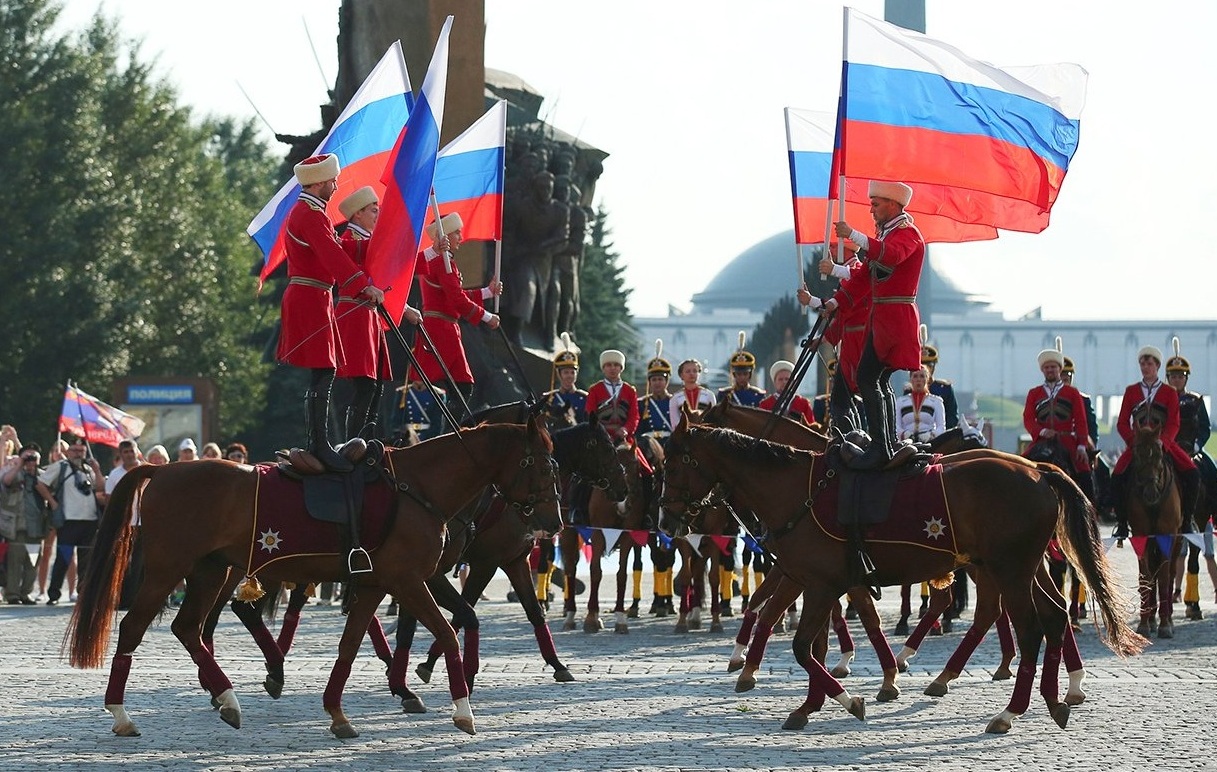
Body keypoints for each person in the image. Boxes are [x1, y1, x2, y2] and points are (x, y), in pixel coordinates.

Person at [276, 153, 386, 473]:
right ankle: (319, 444)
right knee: (323, 370)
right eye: (333, 181)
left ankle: (319, 442)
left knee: (324, 370)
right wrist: (363, 285)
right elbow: (331, 254)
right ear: (321, 182)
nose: (336, 186)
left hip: (314, 295)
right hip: (310, 296)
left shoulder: (311, 212)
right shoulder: (310, 214)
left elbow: (339, 248)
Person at [830, 181, 926, 469]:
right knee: (876, 378)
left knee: (868, 378)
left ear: (893, 205)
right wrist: (835, 303)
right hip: (883, 319)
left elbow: (891, 256)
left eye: (876, 204)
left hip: (896, 318)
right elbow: (861, 280)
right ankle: (885, 443)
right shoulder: (886, 236)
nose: (871, 210)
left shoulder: (908, 234)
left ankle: (882, 447)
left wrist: (855, 236)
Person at [335, 186, 418, 440]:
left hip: (370, 316)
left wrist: (433, 250)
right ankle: (354, 442)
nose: (377, 216)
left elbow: (383, 279)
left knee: (377, 385)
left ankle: (366, 439)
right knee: (365, 384)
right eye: (373, 211)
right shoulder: (349, 240)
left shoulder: (368, 242)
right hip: (355, 314)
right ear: (357, 214)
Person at [409, 212, 502, 409]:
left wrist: (487, 292)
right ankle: (443, 433)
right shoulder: (443, 263)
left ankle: (447, 431)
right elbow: (458, 300)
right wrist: (487, 317)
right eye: (457, 233)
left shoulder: (444, 262)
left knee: (461, 386)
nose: (461, 237)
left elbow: (455, 294)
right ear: (446, 236)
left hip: (445, 329)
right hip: (440, 331)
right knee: (445, 387)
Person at [1109, 345, 1200, 540]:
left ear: (1157, 366)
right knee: (1116, 477)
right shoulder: (1131, 391)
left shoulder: (1168, 392)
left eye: (1149, 363)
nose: (1145, 367)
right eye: (1142, 363)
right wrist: (1134, 441)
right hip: (1138, 444)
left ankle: (1187, 520)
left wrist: (1163, 442)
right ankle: (1123, 522)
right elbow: (1123, 422)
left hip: (1163, 443)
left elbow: (1174, 422)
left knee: (1192, 473)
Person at [1165, 339, 1217, 619]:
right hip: (1168, 447)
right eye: (1172, 375)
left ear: (1186, 378)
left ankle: (1192, 596)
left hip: (1191, 449)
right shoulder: (1161, 398)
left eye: (1180, 375)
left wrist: (1197, 445)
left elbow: (1205, 428)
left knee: (1211, 471)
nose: (1176, 379)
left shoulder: (1195, 400)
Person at [801, 249, 870, 436]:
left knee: (844, 399)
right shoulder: (846, 274)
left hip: (860, 344)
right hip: (851, 343)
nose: (829, 251)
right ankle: (850, 437)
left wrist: (812, 301)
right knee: (842, 399)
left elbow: (842, 303)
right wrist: (821, 340)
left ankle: (851, 439)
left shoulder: (856, 269)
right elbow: (841, 319)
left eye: (832, 247)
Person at [38, 435, 103, 605]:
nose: (78, 453)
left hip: (89, 521)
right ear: (68, 451)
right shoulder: (60, 467)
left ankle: (83, 593)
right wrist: (52, 503)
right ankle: (54, 594)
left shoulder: (88, 469)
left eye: (81, 451)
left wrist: (97, 470)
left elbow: (101, 488)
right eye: (74, 450)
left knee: (86, 561)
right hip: (69, 521)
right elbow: (40, 484)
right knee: (63, 558)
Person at [1022, 346, 1093, 494]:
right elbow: (1028, 419)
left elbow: (1081, 421)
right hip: (1041, 441)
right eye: (1047, 367)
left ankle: (1091, 511)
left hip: (1067, 441)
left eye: (1053, 367)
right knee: (1019, 468)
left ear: (1059, 369)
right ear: (1042, 370)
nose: (1050, 370)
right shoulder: (1034, 393)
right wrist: (1042, 431)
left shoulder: (1072, 393)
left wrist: (1081, 446)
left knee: (1085, 473)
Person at [1, 443, 51, 604]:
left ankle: (26, 592)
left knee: (33, 561)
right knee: (14, 561)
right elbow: (6, 481)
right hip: (17, 525)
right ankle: (13, 594)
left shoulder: (43, 476)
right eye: (28, 457)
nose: (31, 461)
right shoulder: (15, 473)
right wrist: (20, 464)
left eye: (33, 457)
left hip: (36, 526)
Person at [541, 333, 588, 425]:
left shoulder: (585, 398)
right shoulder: (549, 397)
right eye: (566, 372)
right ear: (559, 374)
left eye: (572, 372)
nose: (570, 376)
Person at [919, 329, 960, 430]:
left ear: (934, 367)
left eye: (929, 366)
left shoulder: (944, 388)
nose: (925, 370)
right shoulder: (909, 391)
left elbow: (952, 418)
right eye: (921, 366)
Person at [896, 365, 947, 443]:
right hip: (907, 442)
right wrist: (904, 434)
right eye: (915, 376)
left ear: (927, 379)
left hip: (929, 441)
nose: (918, 380)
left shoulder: (936, 401)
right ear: (911, 379)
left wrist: (931, 435)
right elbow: (896, 425)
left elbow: (941, 427)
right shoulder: (901, 401)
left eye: (922, 376)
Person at [637, 340, 674, 443]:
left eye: (660, 379)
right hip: (647, 445)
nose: (657, 383)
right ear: (649, 382)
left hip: (669, 444)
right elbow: (638, 430)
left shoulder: (674, 402)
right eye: (654, 380)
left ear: (666, 382)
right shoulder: (641, 403)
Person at [716, 333, 767, 408]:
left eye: (745, 374)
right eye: (739, 374)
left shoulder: (758, 395)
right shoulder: (724, 394)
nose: (742, 377)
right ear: (734, 375)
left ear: (750, 374)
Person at [759, 360, 816, 425]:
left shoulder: (804, 404)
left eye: (787, 379)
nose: (784, 382)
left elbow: (811, 427)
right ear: (774, 382)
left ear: (793, 382)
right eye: (780, 379)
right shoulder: (765, 405)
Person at [670, 357, 717, 428]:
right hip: (685, 434)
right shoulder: (676, 398)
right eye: (688, 371)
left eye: (695, 371)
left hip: (705, 434)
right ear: (681, 375)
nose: (691, 374)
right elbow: (674, 422)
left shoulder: (709, 395)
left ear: (699, 374)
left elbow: (714, 418)